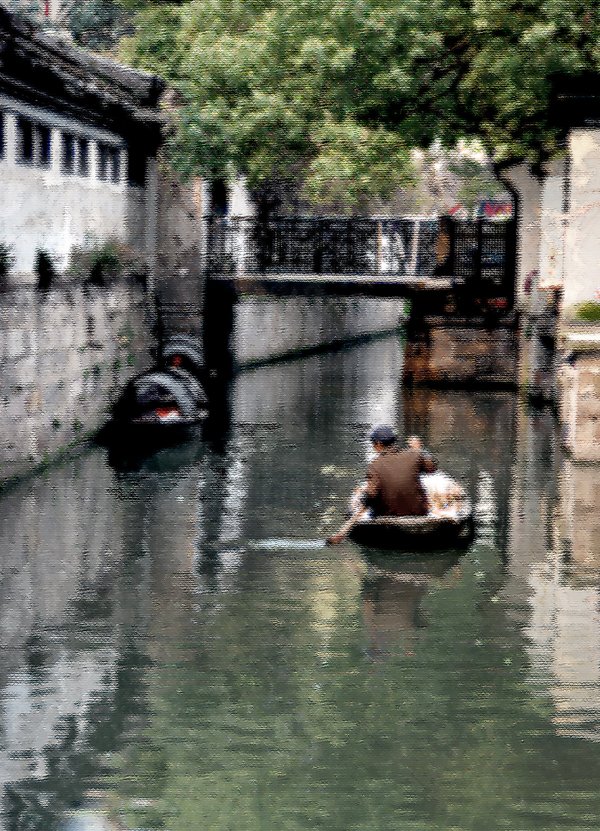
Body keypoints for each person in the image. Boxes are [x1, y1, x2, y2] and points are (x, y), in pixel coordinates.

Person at [327, 425, 437, 544]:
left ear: (378, 444)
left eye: (373, 444)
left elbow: (371, 495)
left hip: (387, 514)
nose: (373, 447)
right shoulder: (415, 454)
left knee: (364, 494)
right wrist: (420, 450)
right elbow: (432, 468)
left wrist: (359, 507)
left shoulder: (375, 466)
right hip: (419, 512)